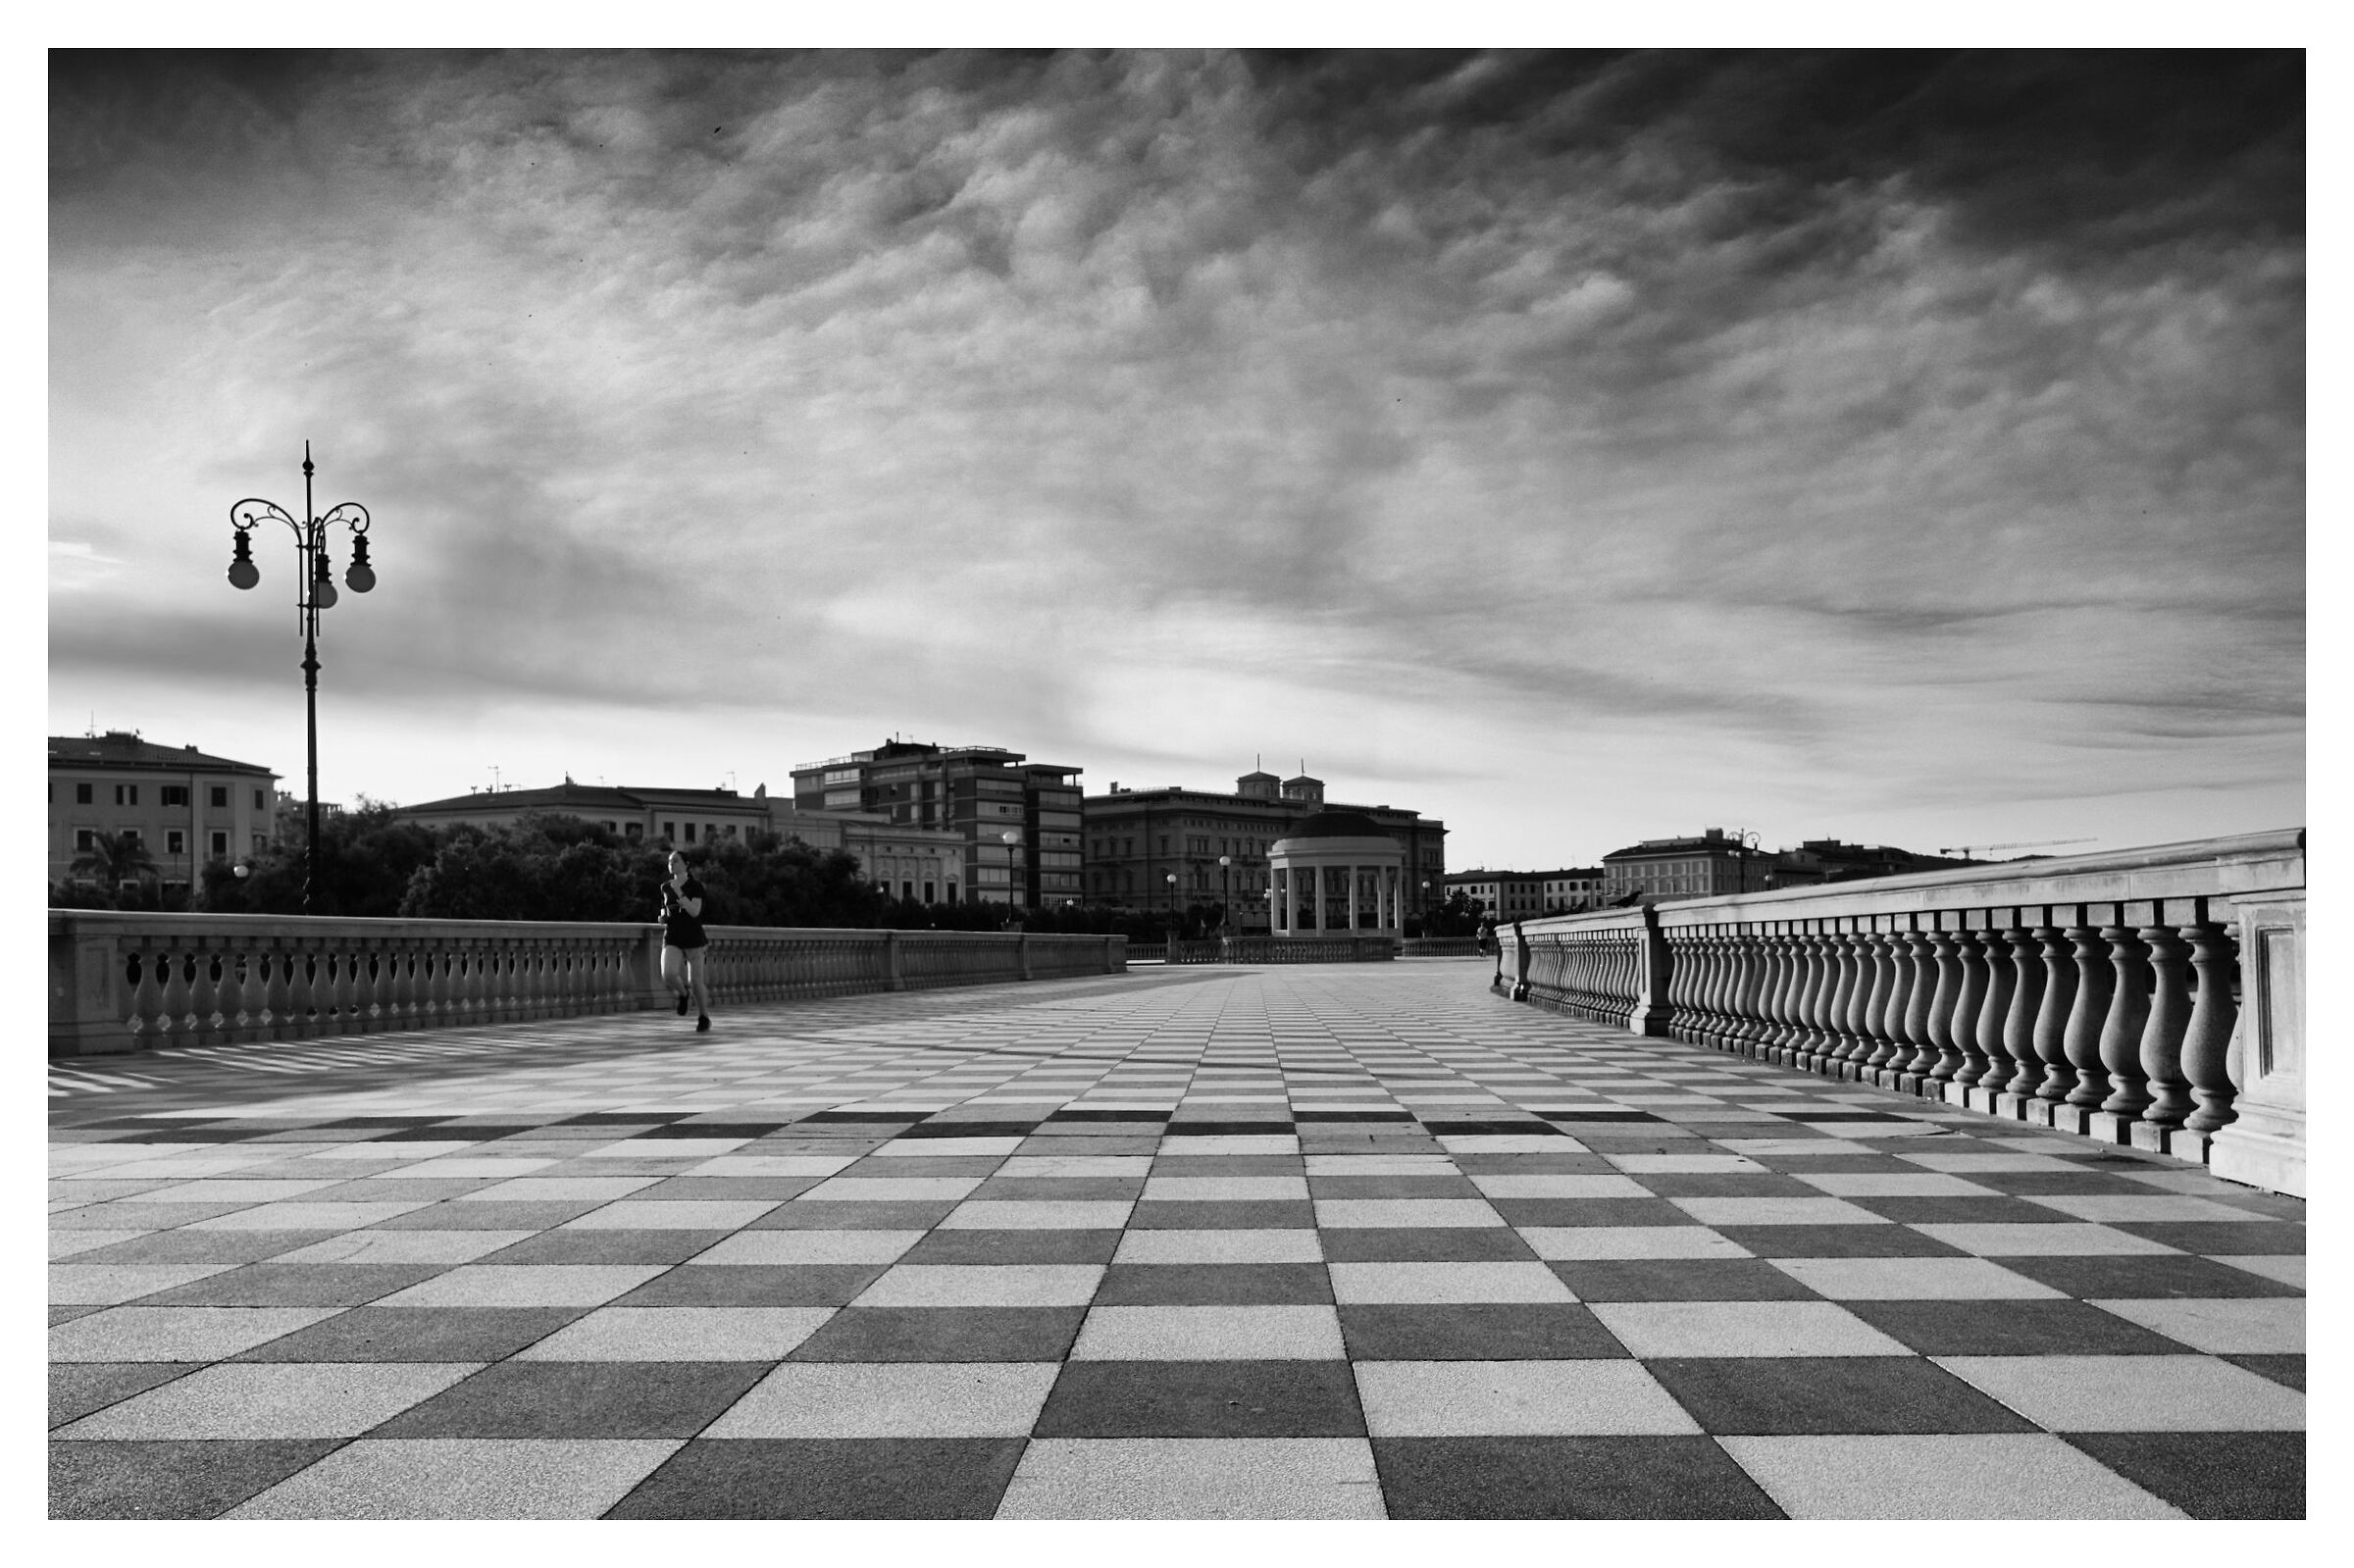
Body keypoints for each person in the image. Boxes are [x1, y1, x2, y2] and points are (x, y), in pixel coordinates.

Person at [659, 848, 712, 1032]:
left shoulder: (695, 886)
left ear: (686, 864)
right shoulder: (665, 887)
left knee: (696, 981)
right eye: (670, 861)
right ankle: (683, 994)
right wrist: (664, 916)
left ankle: (704, 1016)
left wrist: (679, 892)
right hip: (672, 935)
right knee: (668, 974)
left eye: (675, 861)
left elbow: (695, 912)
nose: (671, 864)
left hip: (693, 937)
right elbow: (668, 908)